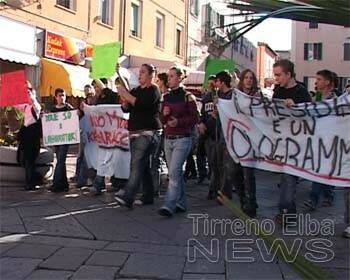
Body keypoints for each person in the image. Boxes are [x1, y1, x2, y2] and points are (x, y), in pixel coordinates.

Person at [115, 63, 161, 208]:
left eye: (142, 72)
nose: (139, 74)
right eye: (139, 72)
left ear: (150, 75)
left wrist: (127, 95)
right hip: (134, 132)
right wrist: (124, 100)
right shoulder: (135, 90)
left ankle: (128, 195)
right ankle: (148, 195)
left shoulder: (154, 90)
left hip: (147, 132)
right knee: (143, 165)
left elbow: (141, 104)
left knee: (136, 164)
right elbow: (127, 108)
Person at [272, 59, 311, 225]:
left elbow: (310, 117)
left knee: (288, 177)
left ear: (289, 74)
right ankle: (288, 210)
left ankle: (286, 211)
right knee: (285, 178)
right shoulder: (277, 92)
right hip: (282, 142)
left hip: (297, 144)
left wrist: (296, 108)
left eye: (279, 75)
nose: (276, 79)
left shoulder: (302, 92)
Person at [158, 67, 198, 217]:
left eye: (172, 76)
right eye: (168, 76)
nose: (169, 79)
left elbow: (195, 118)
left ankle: (169, 204)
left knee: (173, 172)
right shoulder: (166, 97)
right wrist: (164, 114)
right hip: (168, 139)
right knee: (176, 174)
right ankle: (181, 202)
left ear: (180, 78)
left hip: (183, 139)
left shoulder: (188, 97)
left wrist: (179, 122)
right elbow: (161, 119)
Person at [304, 69, 340, 210]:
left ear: (327, 82)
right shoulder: (316, 98)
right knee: (319, 169)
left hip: (331, 140)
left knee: (324, 169)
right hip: (317, 139)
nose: (316, 82)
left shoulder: (336, 99)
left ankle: (322, 196)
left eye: (319, 79)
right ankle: (320, 197)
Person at [213, 71, 245, 202]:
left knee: (228, 166)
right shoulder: (219, 95)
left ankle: (225, 194)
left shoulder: (232, 95)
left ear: (221, 82)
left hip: (230, 135)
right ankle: (225, 192)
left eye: (217, 81)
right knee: (219, 164)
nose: (215, 84)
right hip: (220, 133)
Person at [235, 69, 261, 217]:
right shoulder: (235, 95)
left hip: (251, 139)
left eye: (251, 78)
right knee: (233, 172)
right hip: (237, 138)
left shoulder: (258, 96)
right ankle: (243, 198)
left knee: (248, 173)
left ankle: (251, 204)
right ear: (242, 80)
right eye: (246, 77)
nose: (249, 80)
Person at [89, 78, 119, 194]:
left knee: (111, 159)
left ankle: (112, 183)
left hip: (112, 132)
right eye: (95, 87)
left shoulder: (111, 96)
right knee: (102, 159)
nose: (96, 89)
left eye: (97, 86)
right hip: (101, 133)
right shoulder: (97, 99)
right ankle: (99, 184)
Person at [17, 81, 42, 191]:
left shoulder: (36, 106)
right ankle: (32, 180)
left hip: (33, 136)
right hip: (26, 135)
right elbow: (16, 105)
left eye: (30, 94)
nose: (27, 96)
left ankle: (30, 182)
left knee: (30, 160)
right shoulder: (26, 107)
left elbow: (33, 100)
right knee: (24, 160)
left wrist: (28, 89)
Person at [198, 75, 219, 198]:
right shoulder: (206, 98)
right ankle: (212, 186)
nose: (211, 86)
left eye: (213, 84)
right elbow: (202, 113)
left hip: (217, 133)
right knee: (211, 162)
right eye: (209, 84)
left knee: (215, 163)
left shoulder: (220, 97)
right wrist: (201, 123)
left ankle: (214, 189)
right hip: (207, 133)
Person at [50, 88, 74, 192]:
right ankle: (64, 184)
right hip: (56, 139)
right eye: (60, 95)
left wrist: (78, 114)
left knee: (60, 160)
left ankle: (55, 184)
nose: (62, 97)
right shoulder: (53, 109)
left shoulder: (69, 108)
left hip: (65, 139)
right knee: (61, 161)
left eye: (63, 95)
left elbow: (75, 118)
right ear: (56, 97)